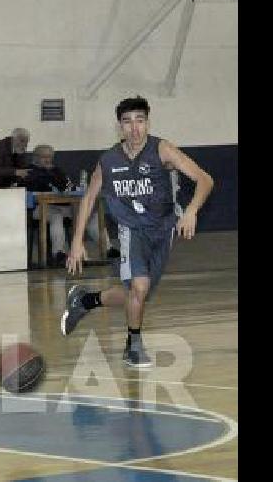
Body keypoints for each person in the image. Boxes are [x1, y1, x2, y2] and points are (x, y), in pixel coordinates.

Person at [61, 96, 214, 367]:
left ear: (147, 123)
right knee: (139, 288)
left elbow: (205, 179)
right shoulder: (108, 161)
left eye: (140, 121)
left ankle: (86, 300)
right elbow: (88, 198)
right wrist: (76, 241)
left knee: (136, 294)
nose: (134, 128)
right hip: (131, 230)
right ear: (119, 126)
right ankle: (133, 346)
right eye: (127, 122)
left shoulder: (162, 149)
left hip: (163, 230)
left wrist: (190, 211)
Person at [25, 144, 111, 267]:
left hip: (63, 205)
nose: (48, 160)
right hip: (39, 208)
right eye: (44, 157)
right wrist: (48, 173)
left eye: (50, 157)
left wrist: (53, 173)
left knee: (89, 214)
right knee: (56, 216)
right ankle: (59, 253)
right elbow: (37, 185)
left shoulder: (56, 170)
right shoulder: (29, 171)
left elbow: (67, 186)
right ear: (35, 157)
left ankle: (108, 249)